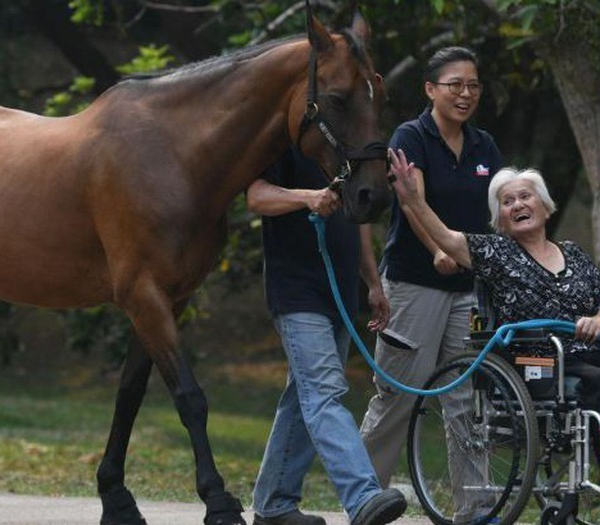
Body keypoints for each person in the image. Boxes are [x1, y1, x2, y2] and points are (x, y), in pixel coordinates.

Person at [387, 152, 600, 459]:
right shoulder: (496, 253)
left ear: (545, 206)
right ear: (500, 218)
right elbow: (446, 238)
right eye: (508, 201)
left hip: (586, 352)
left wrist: (595, 319)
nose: (518, 205)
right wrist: (414, 200)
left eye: (525, 196)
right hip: (537, 361)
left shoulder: (574, 254)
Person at [360, 46, 503, 489]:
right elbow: (411, 200)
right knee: (399, 395)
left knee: (465, 399)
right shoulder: (410, 137)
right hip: (413, 285)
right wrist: (438, 250)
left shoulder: (485, 145)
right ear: (430, 89)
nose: (465, 93)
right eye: (455, 84)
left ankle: (476, 508)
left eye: (473, 85)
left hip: (468, 290)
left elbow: (497, 210)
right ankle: (362, 494)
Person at [246, 145, 407, 525]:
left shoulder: (347, 147)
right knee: (324, 392)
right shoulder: (284, 140)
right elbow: (255, 196)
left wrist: (372, 282)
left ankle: (273, 503)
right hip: (297, 291)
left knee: (302, 397)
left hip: (341, 291)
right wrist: (306, 198)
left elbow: (359, 220)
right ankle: (362, 495)